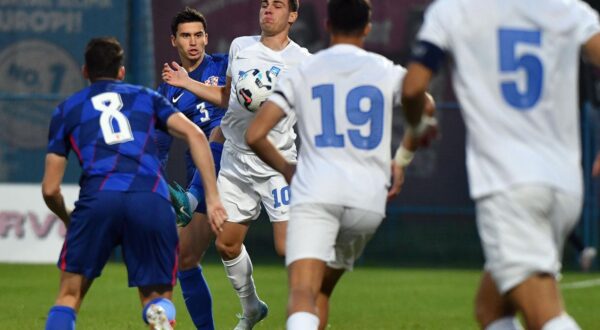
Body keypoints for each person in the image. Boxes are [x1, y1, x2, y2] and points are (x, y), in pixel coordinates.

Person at [401, 0, 600, 329]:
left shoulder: (453, 10)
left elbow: (412, 88)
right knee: (490, 309)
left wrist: (417, 125)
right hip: (564, 185)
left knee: (544, 314)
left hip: (509, 184)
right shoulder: (568, 8)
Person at [245, 1, 436, 329]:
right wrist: (401, 160)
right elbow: (427, 105)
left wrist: (288, 169)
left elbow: (256, 134)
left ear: (329, 24)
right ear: (367, 27)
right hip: (368, 201)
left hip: (316, 191)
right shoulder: (387, 70)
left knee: (303, 291)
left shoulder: (305, 70)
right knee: (321, 291)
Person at [41, 37, 227, 330]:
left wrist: (68, 219)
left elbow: (50, 189)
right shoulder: (146, 97)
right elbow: (196, 135)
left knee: (69, 295)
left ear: (84, 71)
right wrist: (213, 198)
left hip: (99, 198)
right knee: (157, 297)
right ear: (122, 72)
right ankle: (159, 312)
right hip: (150, 199)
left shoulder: (67, 109)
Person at [162, 0, 309, 328]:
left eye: (278, 5)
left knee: (287, 247)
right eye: (265, 4)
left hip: (276, 164)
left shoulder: (303, 61)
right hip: (236, 162)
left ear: (293, 15)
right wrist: (187, 83)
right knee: (226, 243)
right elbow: (228, 95)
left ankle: (310, 307)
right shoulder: (241, 47)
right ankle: (252, 307)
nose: (268, 10)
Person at [156, 7, 228, 329]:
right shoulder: (168, 92)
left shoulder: (225, 65)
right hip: (202, 176)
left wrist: (189, 83)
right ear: (174, 40)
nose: (194, 42)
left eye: (199, 35)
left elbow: (234, 99)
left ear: (207, 38)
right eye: (186, 36)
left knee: (221, 129)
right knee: (184, 261)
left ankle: (194, 198)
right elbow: (159, 146)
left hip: (237, 164)